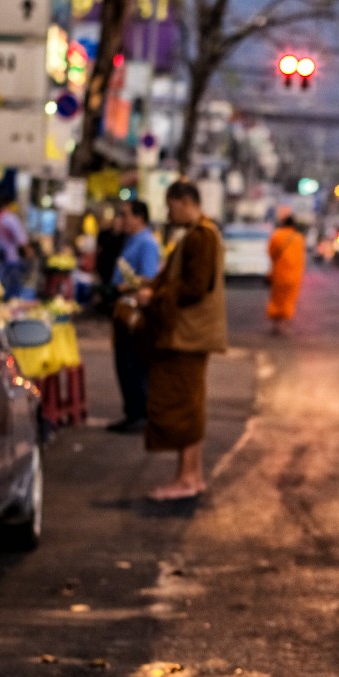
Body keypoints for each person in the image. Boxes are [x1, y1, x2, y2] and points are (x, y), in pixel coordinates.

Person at [136, 180, 227, 500]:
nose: (168, 212)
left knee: (182, 405)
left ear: (186, 201)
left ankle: (187, 477)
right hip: (192, 336)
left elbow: (194, 287)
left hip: (187, 335)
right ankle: (191, 474)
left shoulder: (201, 237)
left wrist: (155, 296)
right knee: (190, 402)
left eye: (171, 205)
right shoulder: (201, 234)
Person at [107, 199, 162, 434]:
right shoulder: (132, 240)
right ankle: (132, 412)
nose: (122, 219)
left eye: (126, 215)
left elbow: (147, 281)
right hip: (122, 311)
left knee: (133, 364)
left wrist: (127, 287)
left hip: (134, 315)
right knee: (124, 364)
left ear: (140, 217)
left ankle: (139, 413)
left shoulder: (147, 243)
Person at [0, 192, 32, 298]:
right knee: (11, 289)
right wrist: (28, 252)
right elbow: (21, 239)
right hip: (10, 258)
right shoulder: (9, 218)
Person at [266, 212, 307, 334]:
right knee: (289, 299)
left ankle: (276, 324)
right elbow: (301, 257)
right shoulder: (298, 238)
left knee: (277, 298)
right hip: (294, 274)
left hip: (279, 273)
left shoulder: (276, 235)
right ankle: (284, 323)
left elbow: (271, 253)